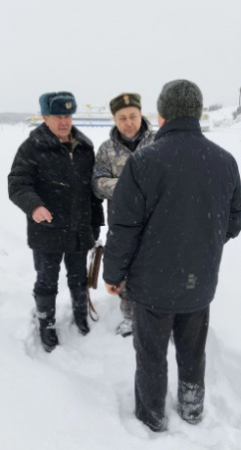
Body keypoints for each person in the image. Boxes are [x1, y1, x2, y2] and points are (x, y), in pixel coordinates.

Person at [103, 80, 241, 432]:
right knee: (193, 352)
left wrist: (113, 274)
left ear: (161, 116)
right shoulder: (225, 161)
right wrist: (204, 243)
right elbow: (234, 218)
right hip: (200, 281)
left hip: (152, 285)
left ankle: (151, 417)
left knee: (151, 355)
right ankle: (192, 408)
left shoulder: (144, 161)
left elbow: (123, 227)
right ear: (196, 113)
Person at [8, 92, 104, 352]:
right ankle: (46, 324)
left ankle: (80, 314)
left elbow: (93, 192)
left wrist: (96, 224)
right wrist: (34, 205)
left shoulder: (85, 147)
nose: (64, 122)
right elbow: (18, 183)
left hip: (79, 229)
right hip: (47, 230)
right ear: (45, 117)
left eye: (68, 116)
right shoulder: (32, 147)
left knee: (78, 277)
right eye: (58, 116)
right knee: (47, 279)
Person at [92, 92, 156, 337]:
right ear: (114, 120)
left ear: (141, 115)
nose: (129, 122)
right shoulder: (107, 149)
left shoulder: (159, 141)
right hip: (122, 223)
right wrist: (126, 187)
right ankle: (129, 315)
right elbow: (97, 183)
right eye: (122, 118)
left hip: (158, 222)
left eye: (133, 116)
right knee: (125, 269)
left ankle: (160, 317)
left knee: (159, 270)